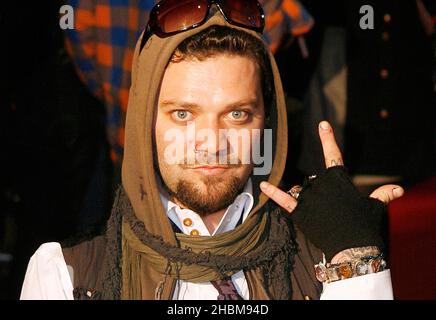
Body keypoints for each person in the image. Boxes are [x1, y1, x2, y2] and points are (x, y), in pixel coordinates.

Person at [20, 0, 404, 300]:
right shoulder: (64, 273)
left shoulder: (324, 259)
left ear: (267, 123)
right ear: (144, 122)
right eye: (183, 113)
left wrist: (357, 263)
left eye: (237, 114)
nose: (212, 142)